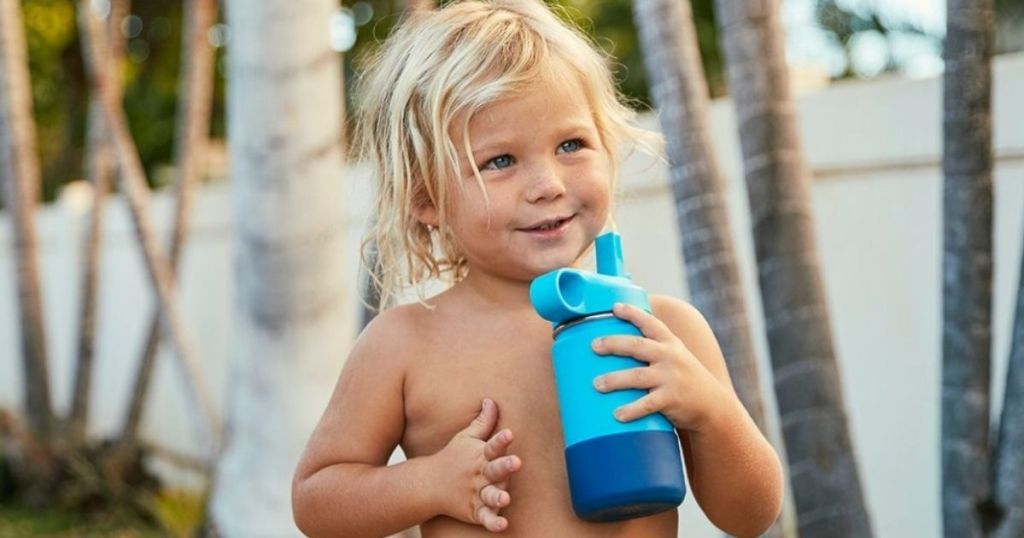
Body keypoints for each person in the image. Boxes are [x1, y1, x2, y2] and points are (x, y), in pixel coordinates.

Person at [291, 1, 783, 536]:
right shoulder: (405, 344)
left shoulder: (664, 333)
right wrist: (429, 482)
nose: (548, 184)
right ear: (426, 197)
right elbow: (317, 500)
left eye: (571, 144)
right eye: (499, 161)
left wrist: (710, 412)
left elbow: (752, 515)